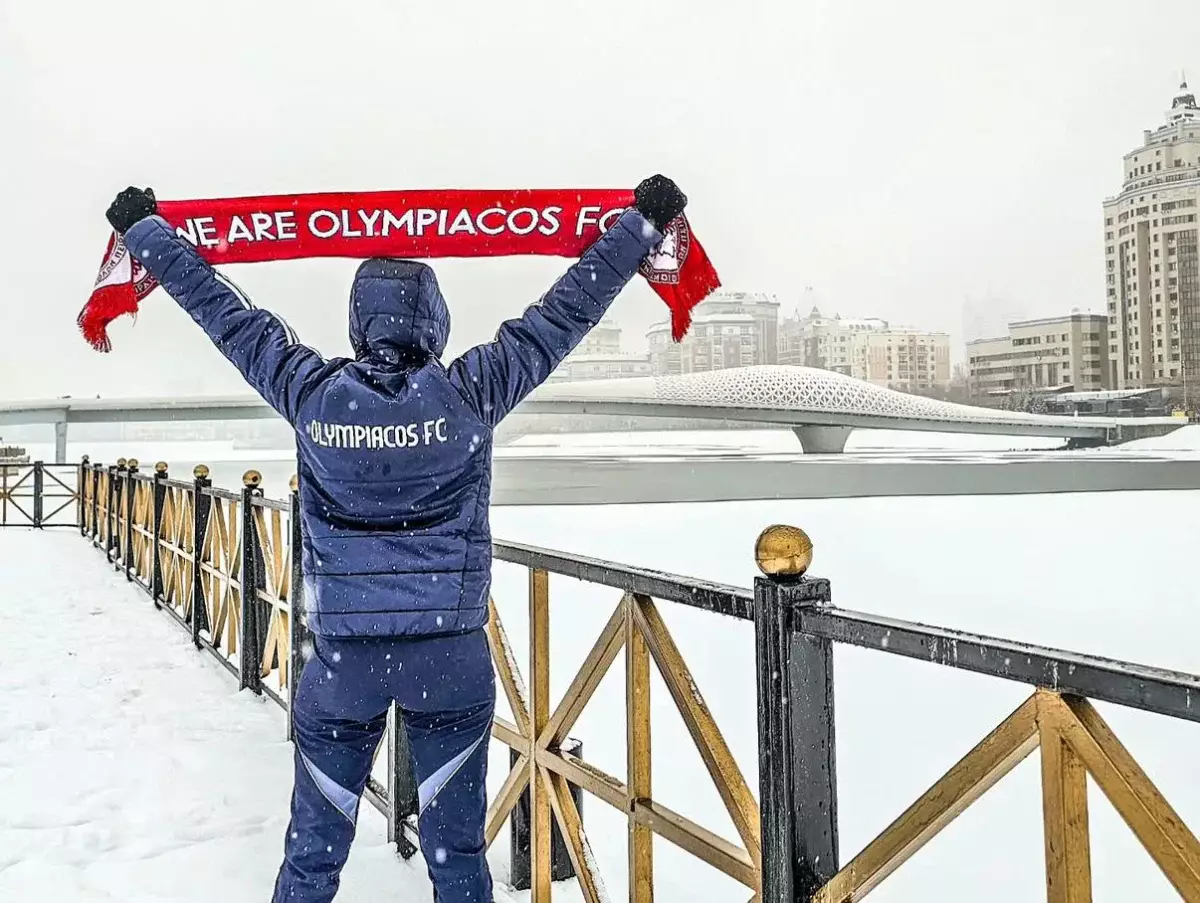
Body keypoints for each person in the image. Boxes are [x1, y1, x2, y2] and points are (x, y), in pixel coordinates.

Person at [104, 176, 687, 903]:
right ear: (435, 322)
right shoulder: (470, 392)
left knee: (312, 859)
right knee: (458, 861)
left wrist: (146, 233)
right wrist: (639, 226)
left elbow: (225, 315)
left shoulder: (311, 394)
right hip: (449, 657)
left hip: (342, 665)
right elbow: (563, 314)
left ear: (359, 323)